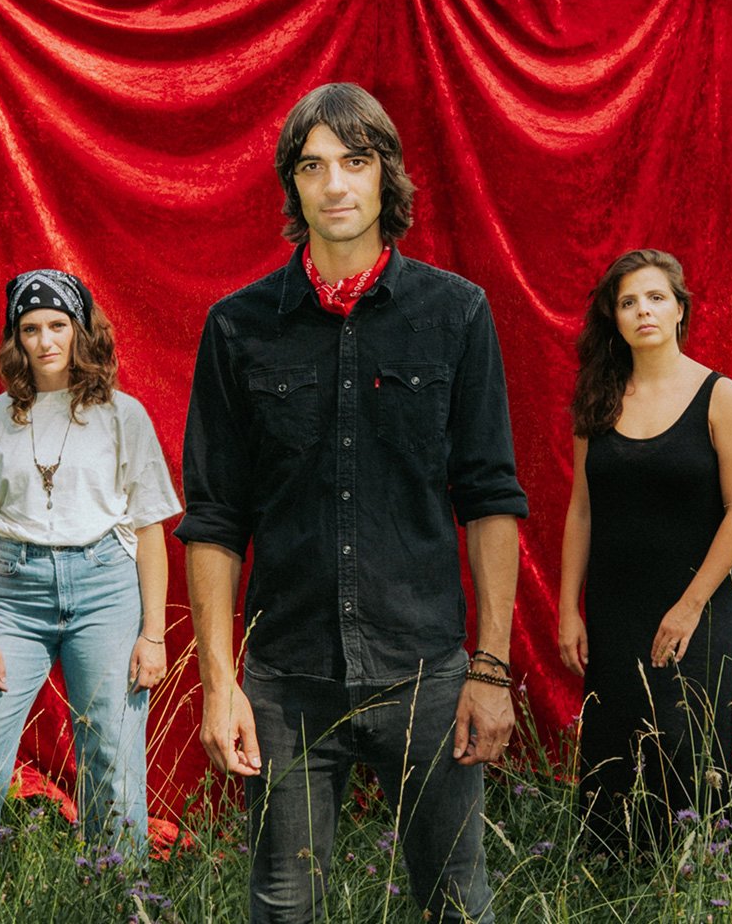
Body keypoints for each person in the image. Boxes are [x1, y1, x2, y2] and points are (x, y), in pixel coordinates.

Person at [177, 82, 528, 922]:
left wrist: (489, 669)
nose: (335, 183)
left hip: (429, 674)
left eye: (355, 162)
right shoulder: (238, 327)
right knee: (283, 905)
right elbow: (216, 518)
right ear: (293, 186)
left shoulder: (456, 315)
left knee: (456, 901)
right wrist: (221, 686)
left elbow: (490, 499)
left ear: (386, 178)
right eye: (313, 165)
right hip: (286, 682)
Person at [0, 269, 179, 859]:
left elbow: (149, 529)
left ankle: (117, 889)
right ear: (17, 338)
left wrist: (153, 634)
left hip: (106, 588)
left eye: (58, 324)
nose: (45, 340)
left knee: (111, 753)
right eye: (30, 327)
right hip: (15, 594)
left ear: (81, 330)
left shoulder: (123, 415)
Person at [554, 249, 732, 856]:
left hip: (696, 603)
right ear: (614, 319)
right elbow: (581, 510)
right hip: (616, 604)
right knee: (615, 738)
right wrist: (569, 607)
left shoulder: (719, 395)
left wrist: (691, 606)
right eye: (628, 302)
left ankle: (698, 872)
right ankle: (611, 874)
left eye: (655, 298)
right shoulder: (600, 399)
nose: (643, 310)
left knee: (683, 737)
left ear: (679, 309)